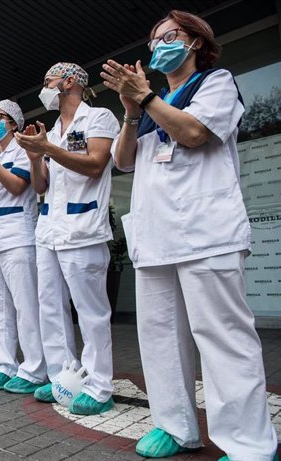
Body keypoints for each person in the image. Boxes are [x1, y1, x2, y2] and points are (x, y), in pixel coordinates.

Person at [103, 10, 278, 460]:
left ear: (195, 42)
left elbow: (196, 133)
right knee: (160, 337)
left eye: (169, 36)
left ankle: (250, 444)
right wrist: (129, 111)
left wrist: (145, 99)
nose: (159, 46)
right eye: (154, 40)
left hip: (206, 232)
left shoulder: (215, 82)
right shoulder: (147, 105)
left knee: (222, 337)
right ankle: (174, 426)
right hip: (155, 236)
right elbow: (124, 162)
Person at [15, 62, 120, 415]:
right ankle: (63, 376)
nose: (44, 87)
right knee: (50, 307)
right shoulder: (55, 130)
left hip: (83, 228)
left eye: (49, 80)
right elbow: (41, 185)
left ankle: (100, 385)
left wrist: (49, 148)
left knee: (91, 312)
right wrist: (35, 157)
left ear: (70, 82)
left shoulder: (99, 117)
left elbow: (95, 164)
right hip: (49, 231)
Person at [0, 100, 46, 394]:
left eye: (0, 117)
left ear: (14, 123)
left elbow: (17, 186)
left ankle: (35, 368)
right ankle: (4, 365)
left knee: (25, 305)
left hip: (17, 236)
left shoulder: (21, 150)